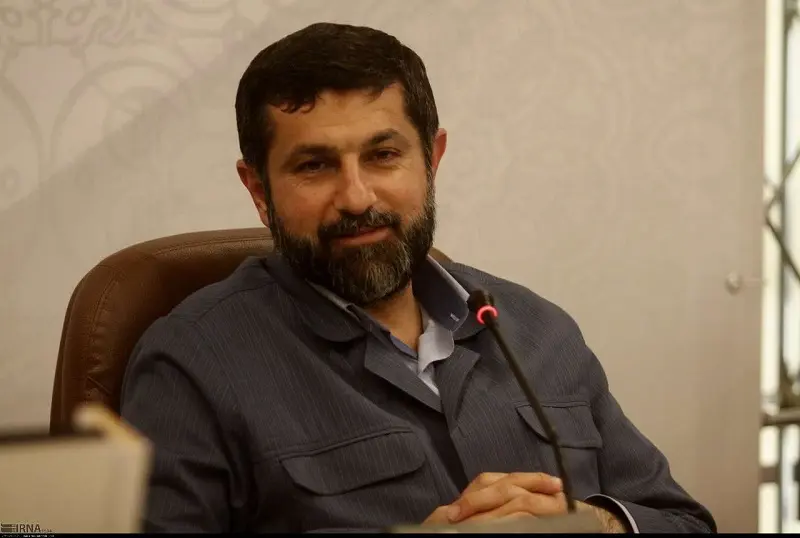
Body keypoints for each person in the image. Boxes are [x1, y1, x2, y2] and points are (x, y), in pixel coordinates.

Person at [120, 22, 716, 534]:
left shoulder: (538, 331)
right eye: (315, 165)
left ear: (432, 160)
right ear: (258, 189)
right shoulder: (192, 364)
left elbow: (685, 522)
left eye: (383, 156)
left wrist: (599, 524)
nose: (356, 197)